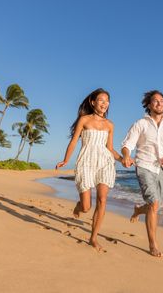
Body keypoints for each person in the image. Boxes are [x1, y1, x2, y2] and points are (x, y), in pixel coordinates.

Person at [56, 88, 122, 251]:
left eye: (107, 101)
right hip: (86, 161)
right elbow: (73, 142)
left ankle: (93, 237)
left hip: (105, 162)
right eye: (101, 100)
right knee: (86, 207)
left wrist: (123, 159)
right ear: (93, 102)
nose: (104, 103)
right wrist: (65, 160)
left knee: (102, 200)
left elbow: (110, 148)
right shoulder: (84, 120)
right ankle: (79, 207)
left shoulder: (110, 125)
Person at [121, 90, 163, 257]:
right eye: (155, 101)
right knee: (155, 204)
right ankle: (153, 244)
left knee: (155, 206)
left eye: (162, 101)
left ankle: (139, 210)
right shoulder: (141, 123)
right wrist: (126, 156)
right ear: (149, 105)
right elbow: (127, 144)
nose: (159, 103)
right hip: (144, 165)